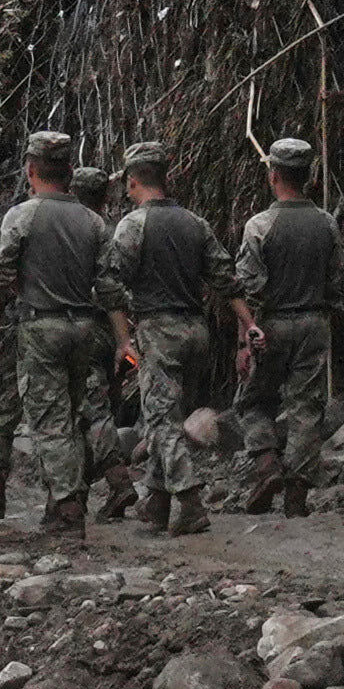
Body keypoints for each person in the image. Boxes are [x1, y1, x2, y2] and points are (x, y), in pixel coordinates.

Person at [0, 132, 119, 531]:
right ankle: (60, 506)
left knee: (48, 421)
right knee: (73, 415)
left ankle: (68, 507)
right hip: (84, 326)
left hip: (42, 325)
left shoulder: (23, 216)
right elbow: (108, 285)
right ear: (70, 172)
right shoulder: (94, 221)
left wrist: (18, 287)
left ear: (30, 169)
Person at [104, 140, 230, 533]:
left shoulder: (133, 225)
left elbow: (110, 281)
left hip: (160, 331)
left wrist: (123, 334)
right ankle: (156, 505)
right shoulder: (195, 223)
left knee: (161, 420)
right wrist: (246, 324)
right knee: (170, 417)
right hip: (197, 330)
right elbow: (225, 276)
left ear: (133, 180)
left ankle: (190, 501)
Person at [227, 141, 344, 517]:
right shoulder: (327, 223)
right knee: (305, 408)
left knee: (251, 401)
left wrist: (244, 340)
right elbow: (337, 280)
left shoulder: (261, 225)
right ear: (309, 177)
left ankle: (265, 466)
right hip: (315, 323)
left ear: (273, 175)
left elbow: (246, 286)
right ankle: (297, 498)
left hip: (271, 323)